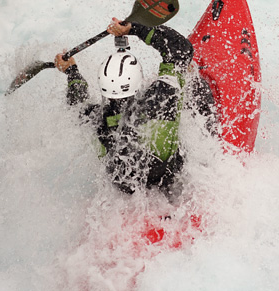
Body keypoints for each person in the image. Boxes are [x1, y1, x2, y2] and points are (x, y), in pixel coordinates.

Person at [54, 17, 195, 197]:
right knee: (196, 86)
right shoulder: (162, 95)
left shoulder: (96, 117)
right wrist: (134, 29)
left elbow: (76, 104)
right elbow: (181, 49)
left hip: (125, 186)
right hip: (169, 174)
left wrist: (71, 71)